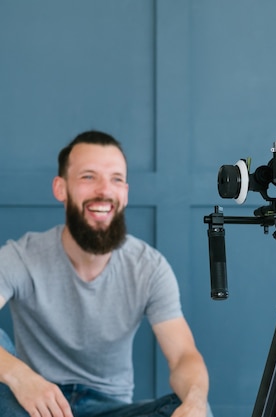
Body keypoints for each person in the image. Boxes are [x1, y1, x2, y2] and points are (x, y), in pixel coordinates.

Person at [0, 131, 213, 417]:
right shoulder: (20, 256)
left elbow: (183, 356)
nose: (104, 190)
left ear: (125, 192)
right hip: (35, 407)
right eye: (88, 177)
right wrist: (19, 377)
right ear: (60, 188)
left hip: (113, 409)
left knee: (190, 407)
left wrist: (196, 402)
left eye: (115, 179)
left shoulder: (149, 267)